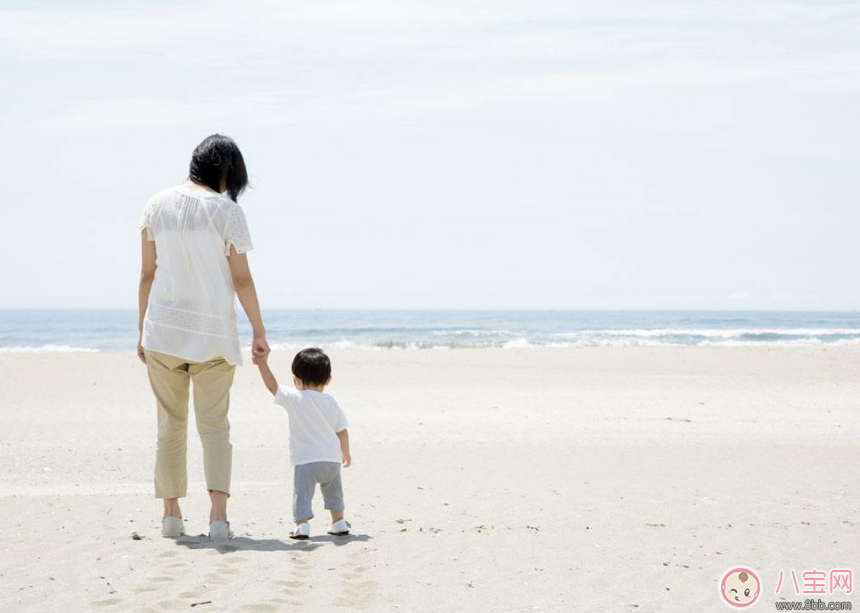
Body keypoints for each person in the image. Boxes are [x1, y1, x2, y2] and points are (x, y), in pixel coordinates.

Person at [137, 134, 270, 541]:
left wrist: (141, 330)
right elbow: (241, 279)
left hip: (163, 331)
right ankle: (217, 517)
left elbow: (147, 273)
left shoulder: (156, 204)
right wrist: (258, 331)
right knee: (215, 427)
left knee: (169, 425)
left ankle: (172, 516)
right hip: (213, 335)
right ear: (226, 170)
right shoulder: (227, 212)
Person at [254, 348, 352, 539]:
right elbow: (342, 430)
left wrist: (262, 363)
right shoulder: (333, 402)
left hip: (306, 461)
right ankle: (339, 522)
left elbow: (272, 386)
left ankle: (302, 526)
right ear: (328, 380)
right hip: (331, 462)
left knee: (302, 495)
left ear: (296, 380)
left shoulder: (295, 398)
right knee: (334, 494)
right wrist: (345, 453)